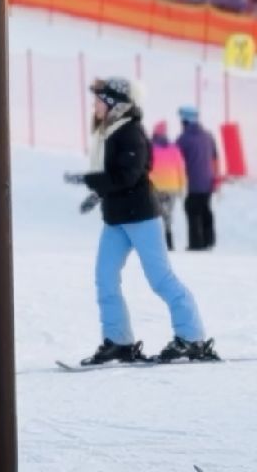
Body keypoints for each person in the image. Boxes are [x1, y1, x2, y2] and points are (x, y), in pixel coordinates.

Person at [64, 79, 215, 364]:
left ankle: (192, 337)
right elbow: (117, 177)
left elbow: (128, 177)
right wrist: (98, 194)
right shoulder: (111, 132)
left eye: (99, 100)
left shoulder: (131, 133)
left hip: (141, 217)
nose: (94, 105)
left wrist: (89, 181)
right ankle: (118, 341)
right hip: (116, 219)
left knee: (160, 278)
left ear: (114, 104)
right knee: (105, 278)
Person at [176, 105, 219, 250]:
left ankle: (196, 243)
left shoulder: (183, 139)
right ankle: (209, 239)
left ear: (185, 121)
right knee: (205, 208)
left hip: (193, 182)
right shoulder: (208, 135)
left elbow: (176, 159)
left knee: (192, 211)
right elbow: (215, 156)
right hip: (208, 181)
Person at [148, 122, 185, 251]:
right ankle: (169, 242)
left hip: (155, 186)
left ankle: (157, 243)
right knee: (168, 214)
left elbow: (145, 168)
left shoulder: (149, 148)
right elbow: (181, 168)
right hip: (172, 187)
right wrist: (182, 187)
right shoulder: (174, 148)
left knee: (155, 215)